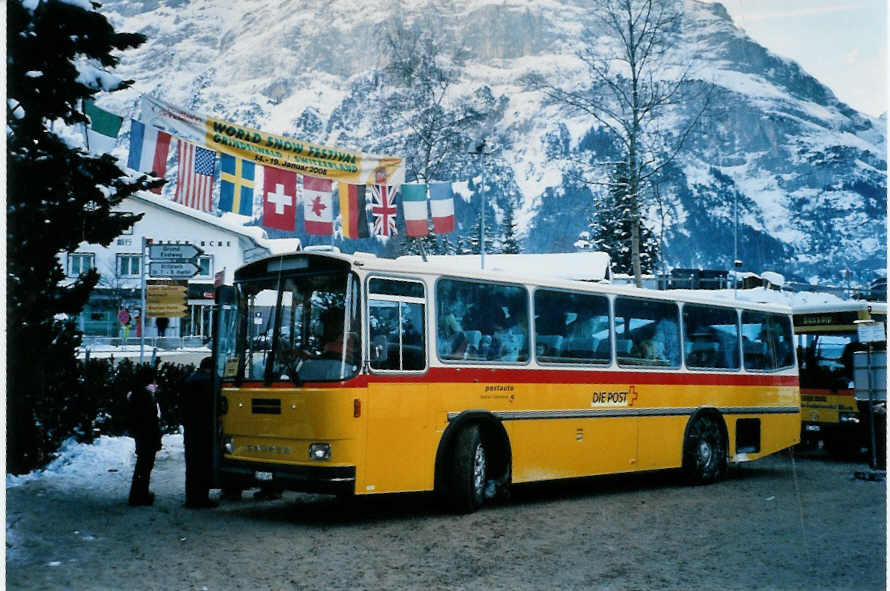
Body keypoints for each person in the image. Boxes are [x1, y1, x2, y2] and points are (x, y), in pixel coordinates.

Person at [182, 357, 218, 508]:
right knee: (203, 464)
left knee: (192, 465)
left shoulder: (190, 380)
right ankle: (201, 498)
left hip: (191, 429)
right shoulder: (208, 382)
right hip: (204, 429)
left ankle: (191, 497)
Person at [128, 368, 162, 506]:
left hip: (142, 434)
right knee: (145, 465)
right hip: (148, 435)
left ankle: (139, 494)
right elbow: (151, 419)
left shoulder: (137, 394)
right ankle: (140, 495)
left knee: (143, 465)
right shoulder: (146, 396)